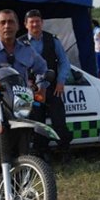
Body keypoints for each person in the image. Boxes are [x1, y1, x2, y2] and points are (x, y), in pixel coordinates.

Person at [19, 9, 72, 162]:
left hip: (53, 88)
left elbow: (64, 62)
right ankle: (42, 154)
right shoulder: (20, 43)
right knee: (37, 124)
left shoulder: (52, 40)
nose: (35, 24)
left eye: (37, 21)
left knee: (59, 122)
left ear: (42, 23)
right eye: (31, 22)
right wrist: (25, 83)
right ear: (25, 24)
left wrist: (61, 81)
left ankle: (64, 152)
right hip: (32, 90)